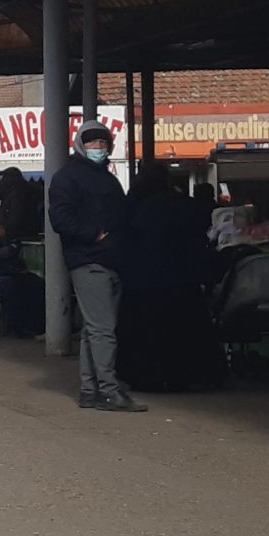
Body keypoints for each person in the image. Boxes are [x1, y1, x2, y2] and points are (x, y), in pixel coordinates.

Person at [49, 121, 143, 413]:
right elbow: (60, 219)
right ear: (81, 144)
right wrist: (94, 235)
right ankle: (109, 390)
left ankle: (91, 390)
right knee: (103, 330)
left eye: (103, 143)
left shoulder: (106, 178)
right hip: (89, 259)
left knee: (94, 330)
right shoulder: (68, 178)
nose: (98, 147)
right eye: (92, 142)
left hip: (108, 259)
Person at [116, 159, 222, 393]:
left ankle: (146, 377)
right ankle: (183, 376)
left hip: (143, 281)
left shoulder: (133, 205)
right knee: (183, 332)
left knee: (145, 334)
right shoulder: (183, 204)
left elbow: (124, 240)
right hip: (182, 280)